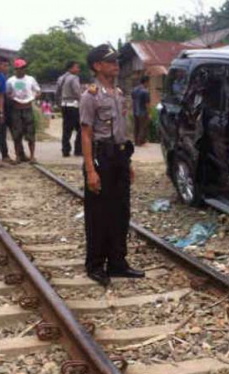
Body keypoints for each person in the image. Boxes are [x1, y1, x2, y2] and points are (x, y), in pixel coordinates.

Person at [80, 44, 144, 286]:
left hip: (118, 157)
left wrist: (127, 163)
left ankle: (118, 262)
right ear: (97, 66)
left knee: (120, 211)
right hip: (100, 158)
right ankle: (95, 265)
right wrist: (90, 171)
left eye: (116, 61)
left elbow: (121, 132)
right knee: (98, 214)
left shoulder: (117, 93)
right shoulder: (91, 95)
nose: (116, 65)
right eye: (111, 61)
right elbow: (86, 134)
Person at [6, 59, 41, 164]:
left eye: (23, 68)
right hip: (16, 109)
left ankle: (32, 156)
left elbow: (38, 90)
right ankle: (18, 156)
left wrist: (35, 96)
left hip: (27, 108)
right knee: (17, 134)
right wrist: (11, 97)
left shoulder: (30, 79)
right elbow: (7, 93)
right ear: (15, 69)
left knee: (30, 133)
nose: (21, 70)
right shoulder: (10, 81)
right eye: (19, 68)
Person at [56, 61, 82, 157]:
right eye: (76, 67)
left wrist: (58, 104)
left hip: (64, 104)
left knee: (66, 128)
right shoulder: (74, 78)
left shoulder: (61, 78)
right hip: (73, 105)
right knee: (80, 128)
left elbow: (57, 92)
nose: (78, 69)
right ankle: (78, 149)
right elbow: (77, 92)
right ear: (71, 68)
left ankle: (65, 150)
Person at [131, 75, 150, 146]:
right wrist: (149, 113)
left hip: (135, 110)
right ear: (146, 82)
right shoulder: (145, 92)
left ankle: (136, 141)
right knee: (143, 127)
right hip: (142, 112)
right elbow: (147, 104)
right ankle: (140, 142)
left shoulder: (134, 89)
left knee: (136, 127)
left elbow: (133, 100)